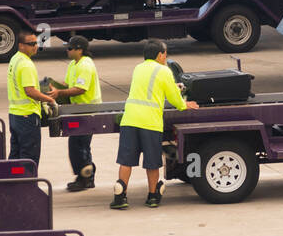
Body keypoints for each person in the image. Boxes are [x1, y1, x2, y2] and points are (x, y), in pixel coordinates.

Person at [111, 39, 198, 210]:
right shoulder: (164, 70)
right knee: (152, 162)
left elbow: (150, 86)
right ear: (160, 55)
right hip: (150, 122)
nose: (166, 57)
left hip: (130, 120)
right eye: (165, 54)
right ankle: (152, 197)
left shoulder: (138, 68)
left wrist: (174, 87)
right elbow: (173, 97)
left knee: (126, 161)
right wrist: (184, 104)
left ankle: (120, 197)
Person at [48, 35, 102, 192]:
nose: (67, 50)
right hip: (77, 110)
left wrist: (59, 93)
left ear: (80, 50)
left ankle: (87, 177)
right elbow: (68, 84)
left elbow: (80, 89)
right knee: (77, 144)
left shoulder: (85, 65)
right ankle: (83, 176)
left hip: (88, 110)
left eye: (70, 48)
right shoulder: (73, 64)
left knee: (80, 144)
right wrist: (54, 87)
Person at [8, 31, 57, 165]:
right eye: (31, 44)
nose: (35, 46)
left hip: (15, 114)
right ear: (21, 46)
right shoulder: (26, 64)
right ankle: (27, 182)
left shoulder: (15, 59)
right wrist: (50, 99)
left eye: (36, 43)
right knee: (29, 156)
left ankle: (12, 182)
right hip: (27, 116)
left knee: (15, 154)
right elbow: (30, 91)